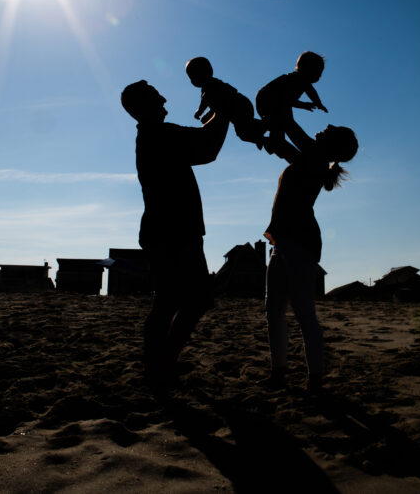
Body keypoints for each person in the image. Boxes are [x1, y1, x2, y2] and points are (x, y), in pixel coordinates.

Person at [121, 79, 230, 388]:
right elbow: (208, 147)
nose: (165, 98)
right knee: (183, 301)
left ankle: (159, 365)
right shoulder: (159, 136)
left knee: (174, 301)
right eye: (157, 96)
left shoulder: (155, 135)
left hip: (169, 231)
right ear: (144, 105)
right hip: (174, 232)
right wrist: (225, 110)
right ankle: (160, 366)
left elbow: (203, 137)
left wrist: (221, 112)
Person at [264, 123, 358, 392]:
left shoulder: (315, 157)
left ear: (331, 144)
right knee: (274, 311)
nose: (325, 126)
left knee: (303, 312)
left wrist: (281, 110)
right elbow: (283, 141)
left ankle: (314, 378)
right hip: (283, 240)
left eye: (331, 129)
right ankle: (279, 373)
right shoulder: (312, 157)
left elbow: (289, 127)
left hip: (299, 241)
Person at [255, 51, 328, 155]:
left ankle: (271, 142)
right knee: (284, 119)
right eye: (318, 72)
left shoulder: (300, 81)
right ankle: (265, 134)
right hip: (267, 99)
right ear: (307, 69)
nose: (320, 76)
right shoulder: (296, 80)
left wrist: (313, 104)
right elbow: (287, 99)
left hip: (270, 101)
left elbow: (289, 99)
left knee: (281, 123)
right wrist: (310, 104)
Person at [185, 57, 264, 149]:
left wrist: (200, 111)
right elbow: (217, 107)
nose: (192, 81)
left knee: (244, 131)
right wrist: (208, 115)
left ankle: (266, 126)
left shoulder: (210, 87)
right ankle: (261, 138)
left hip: (239, 106)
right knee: (243, 133)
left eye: (193, 76)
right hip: (241, 105)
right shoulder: (214, 87)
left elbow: (207, 100)